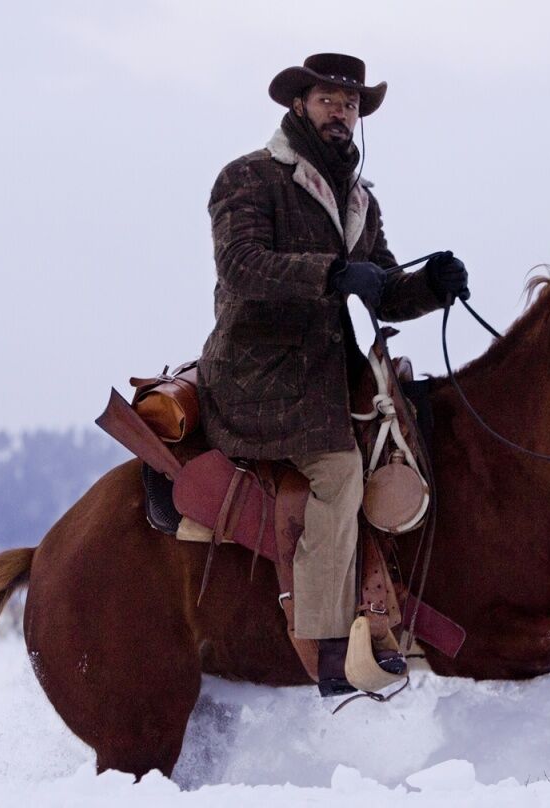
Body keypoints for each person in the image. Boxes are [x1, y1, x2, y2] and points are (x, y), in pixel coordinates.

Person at [197, 53, 468, 696]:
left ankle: (391, 609)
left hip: (327, 373)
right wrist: (330, 273)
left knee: (410, 438)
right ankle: (325, 646)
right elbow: (241, 266)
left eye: (350, 105)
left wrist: (430, 286)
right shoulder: (248, 178)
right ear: (299, 106)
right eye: (328, 100)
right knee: (341, 470)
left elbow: (384, 290)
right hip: (257, 373)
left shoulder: (358, 201)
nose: (340, 112)